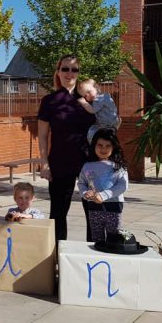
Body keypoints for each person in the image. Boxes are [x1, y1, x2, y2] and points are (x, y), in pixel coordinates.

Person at [37, 54, 95, 242]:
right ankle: (57, 256)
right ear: (58, 72)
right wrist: (44, 163)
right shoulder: (49, 101)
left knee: (93, 209)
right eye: (65, 69)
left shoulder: (89, 99)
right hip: (60, 160)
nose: (70, 73)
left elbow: (107, 123)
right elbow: (43, 135)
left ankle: (92, 254)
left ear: (78, 73)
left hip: (89, 161)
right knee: (59, 211)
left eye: (74, 69)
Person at [77, 128, 129, 242]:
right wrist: (85, 193)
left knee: (114, 238)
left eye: (107, 146)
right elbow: (82, 183)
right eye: (100, 145)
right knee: (96, 239)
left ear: (113, 147)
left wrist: (104, 195)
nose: (103, 149)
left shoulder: (118, 166)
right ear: (94, 146)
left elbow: (122, 186)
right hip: (93, 207)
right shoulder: (87, 166)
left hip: (114, 206)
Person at [77, 78, 121, 143]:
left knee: (92, 130)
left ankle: (92, 143)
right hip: (113, 121)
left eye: (89, 91)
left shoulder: (98, 99)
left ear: (96, 87)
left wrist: (83, 102)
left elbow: (92, 110)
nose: (88, 95)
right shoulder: (105, 96)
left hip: (105, 123)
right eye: (85, 95)